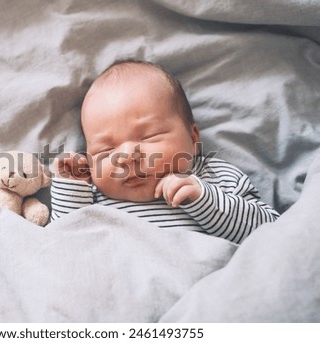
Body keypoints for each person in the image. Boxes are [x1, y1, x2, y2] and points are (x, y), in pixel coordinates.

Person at [51, 59, 279, 244]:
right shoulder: (91, 197)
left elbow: (270, 234)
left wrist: (204, 200)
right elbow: (62, 245)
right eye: (106, 150)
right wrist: (71, 187)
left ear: (193, 137)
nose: (127, 155)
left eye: (149, 136)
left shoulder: (215, 177)